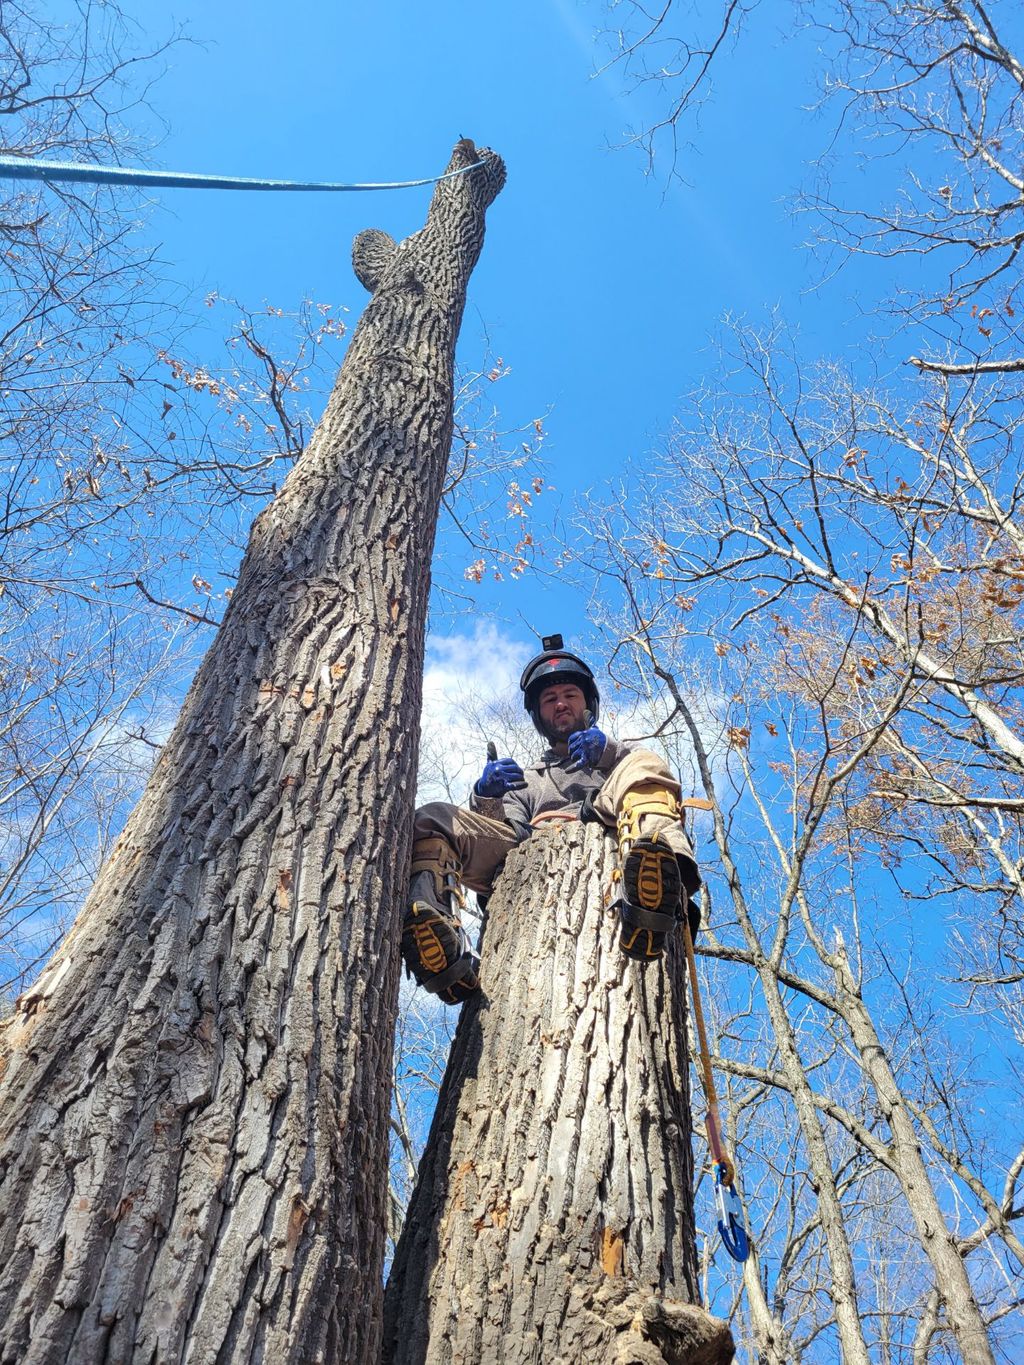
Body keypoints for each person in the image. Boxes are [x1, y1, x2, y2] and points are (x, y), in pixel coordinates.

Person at [402, 639, 701, 1005]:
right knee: (432, 817)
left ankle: (653, 893)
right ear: (539, 716)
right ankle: (437, 942)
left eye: (570, 694)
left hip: (609, 819)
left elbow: (642, 774)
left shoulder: (618, 764)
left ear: (587, 704)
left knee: (645, 764)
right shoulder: (526, 781)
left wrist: (607, 752)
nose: (560, 703)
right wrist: (486, 797)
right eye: (550, 699)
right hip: (529, 847)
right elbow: (506, 838)